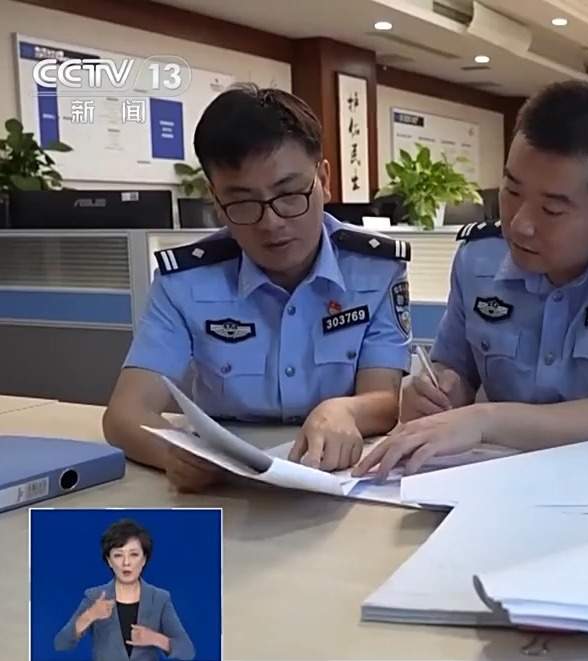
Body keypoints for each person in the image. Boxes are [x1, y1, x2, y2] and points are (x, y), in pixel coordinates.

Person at [354, 81, 588, 478]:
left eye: (552, 210)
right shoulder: (479, 259)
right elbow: (452, 372)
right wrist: (433, 393)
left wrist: (485, 420)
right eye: (511, 191)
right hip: (507, 482)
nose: (520, 225)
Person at [102, 85, 411, 491]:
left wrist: (346, 411)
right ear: (217, 201)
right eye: (243, 202)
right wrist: (174, 453)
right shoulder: (185, 282)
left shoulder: (375, 270)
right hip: (226, 483)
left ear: (323, 179)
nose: (271, 223)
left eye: (289, 194)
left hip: (337, 479)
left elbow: (385, 400)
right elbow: (125, 413)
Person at [54, 519, 195, 661]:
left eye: (134, 554)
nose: (126, 563)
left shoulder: (159, 598)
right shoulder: (94, 597)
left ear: (144, 559)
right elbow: (61, 643)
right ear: (109, 561)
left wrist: (156, 638)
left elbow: (188, 651)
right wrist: (89, 615)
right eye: (118, 555)